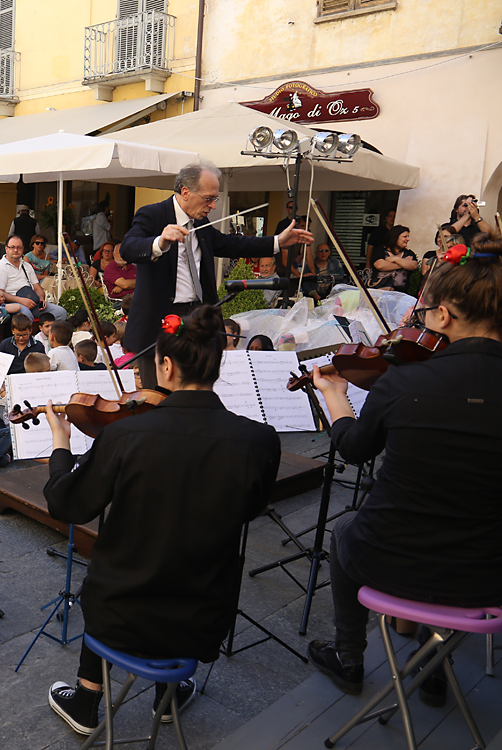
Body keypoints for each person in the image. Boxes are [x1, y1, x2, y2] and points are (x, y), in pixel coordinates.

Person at [44, 305, 281, 736]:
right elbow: (250, 509)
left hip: (119, 614)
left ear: (166, 365)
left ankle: (86, 698)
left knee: (111, 571)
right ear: (217, 363)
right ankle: (168, 695)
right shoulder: (258, 440)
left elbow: (68, 506)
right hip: (202, 619)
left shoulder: (125, 435)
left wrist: (61, 447)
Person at [307, 236, 502, 700]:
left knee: (345, 529)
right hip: (490, 574)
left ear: (446, 316)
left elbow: (354, 448)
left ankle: (350, 657)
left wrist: (335, 397)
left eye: (426, 309)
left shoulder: (407, 379)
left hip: (390, 555)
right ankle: (435, 661)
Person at [119, 162, 312, 388]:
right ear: (185, 192)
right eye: (208, 198)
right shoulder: (152, 214)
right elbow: (128, 247)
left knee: (196, 388)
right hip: (160, 318)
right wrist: (159, 242)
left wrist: (277, 242)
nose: (212, 205)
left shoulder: (200, 221)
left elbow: (230, 244)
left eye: (215, 199)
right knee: (158, 392)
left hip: (197, 316)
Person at [0, 236, 67, 323]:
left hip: (31, 299)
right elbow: (0, 293)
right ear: (6, 248)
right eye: (12, 247)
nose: (16, 250)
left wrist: (41, 299)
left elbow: (37, 286)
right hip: (11, 303)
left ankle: (46, 335)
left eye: (19, 247)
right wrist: (21, 300)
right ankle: (30, 336)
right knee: (26, 315)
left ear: (23, 249)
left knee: (60, 312)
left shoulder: (26, 266)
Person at [371, 225, 418, 294]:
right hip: (380, 292)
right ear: (395, 237)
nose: (408, 239)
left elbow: (413, 265)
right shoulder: (380, 250)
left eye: (408, 237)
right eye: (405, 237)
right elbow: (380, 265)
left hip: (401, 294)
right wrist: (404, 263)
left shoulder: (409, 253)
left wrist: (394, 259)